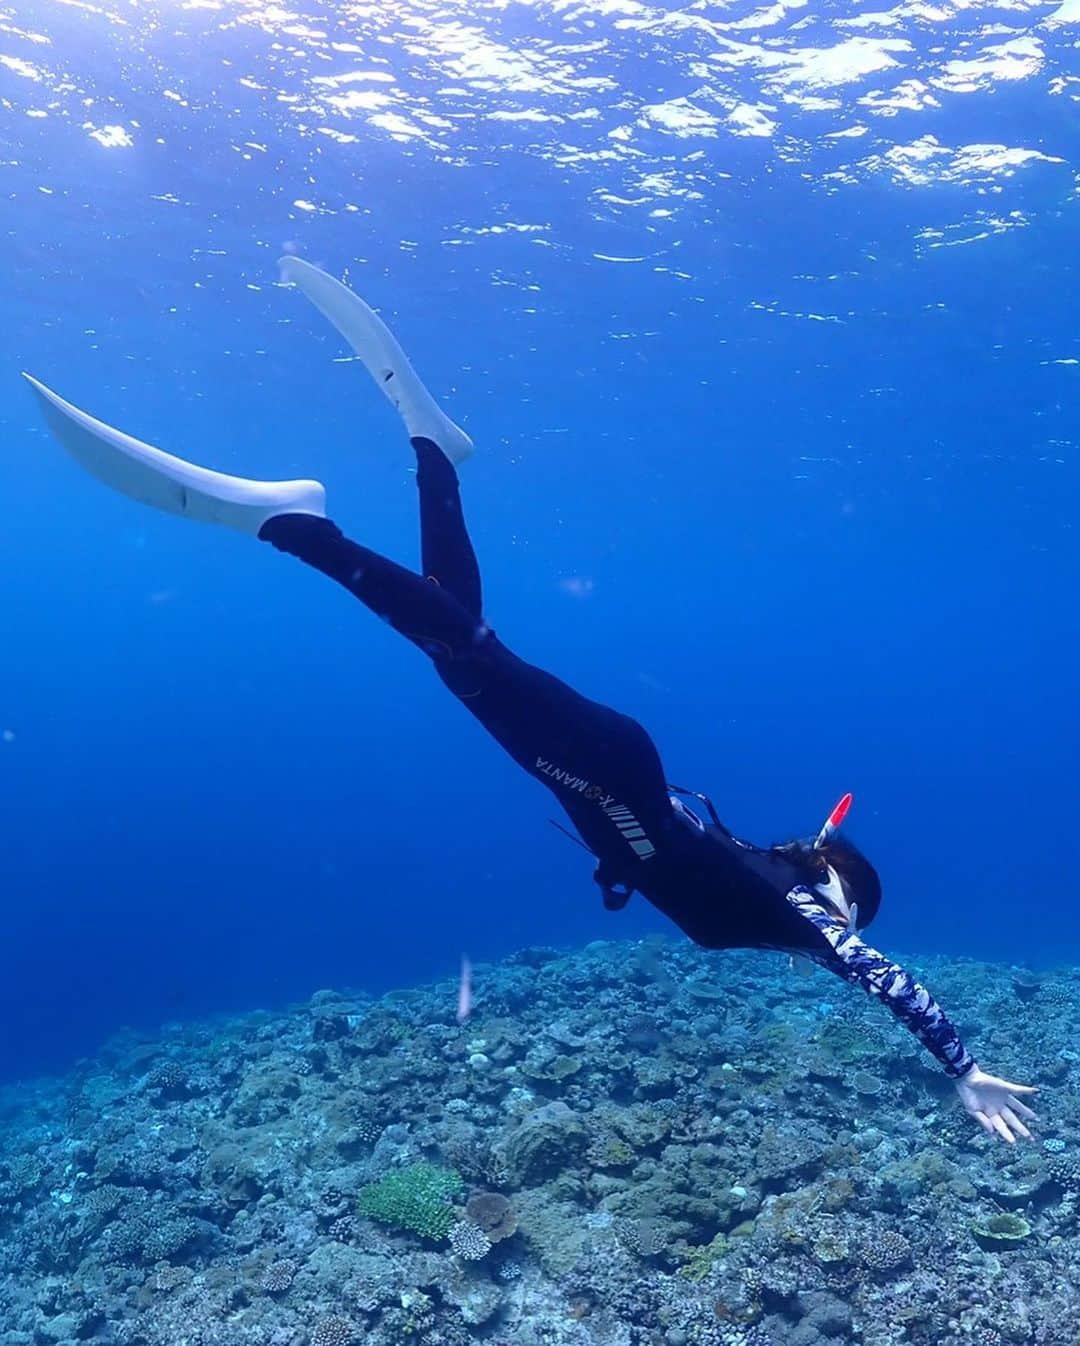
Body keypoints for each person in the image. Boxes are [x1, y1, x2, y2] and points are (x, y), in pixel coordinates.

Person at [24, 257, 1038, 1144]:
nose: (843, 930)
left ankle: (433, 452)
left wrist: (775, 856)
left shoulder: (776, 877)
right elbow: (880, 972)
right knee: (463, 648)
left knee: (457, 646)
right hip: (609, 772)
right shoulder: (808, 907)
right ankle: (300, 528)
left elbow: (725, 859)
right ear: (843, 892)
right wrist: (959, 1063)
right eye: (852, 905)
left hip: (608, 779)